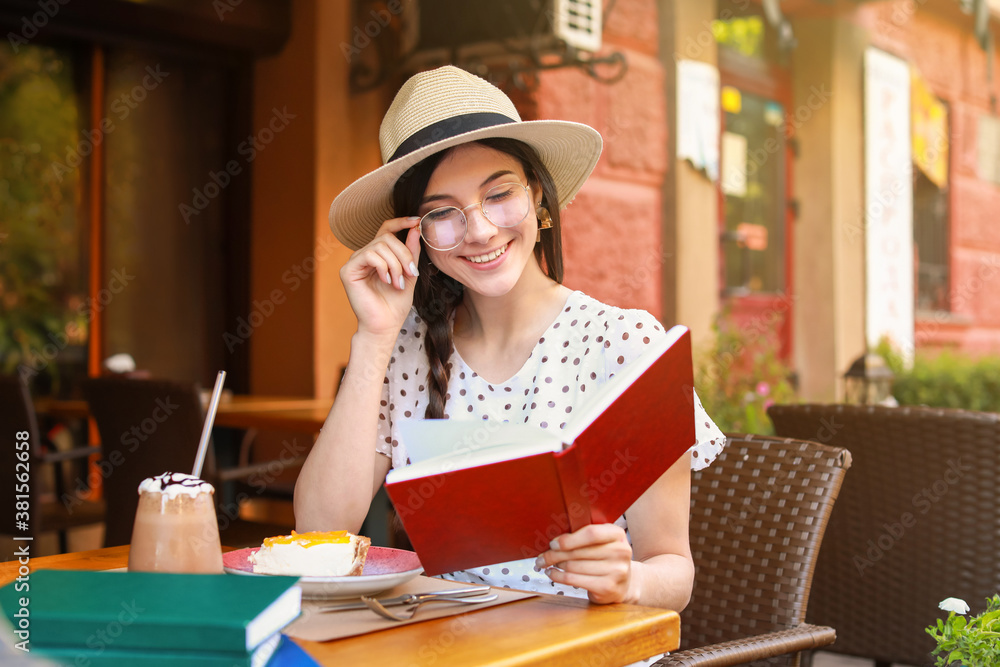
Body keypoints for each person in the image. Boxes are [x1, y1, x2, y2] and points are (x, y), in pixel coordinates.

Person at [295, 65, 724, 611]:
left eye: (499, 195)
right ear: (415, 238)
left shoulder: (624, 343)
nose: (479, 230)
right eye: (441, 214)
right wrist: (374, 338)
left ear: (538, 197)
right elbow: (318, 531)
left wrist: (629, 581)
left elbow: (674, 571)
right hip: (454, 649)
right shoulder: (405, 350)